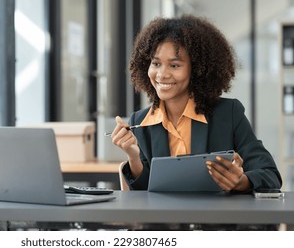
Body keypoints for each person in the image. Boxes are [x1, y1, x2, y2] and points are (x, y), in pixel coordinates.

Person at [111, 14, 282, 193]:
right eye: (156, 63)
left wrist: (241, 181)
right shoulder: (140, 122)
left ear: (198, 69)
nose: (162, 74)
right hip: (164, 221)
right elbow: (145, 193)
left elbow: (270, 175)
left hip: (215, 219)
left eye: (174, 65)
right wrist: (134, 157)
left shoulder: (228, 113)